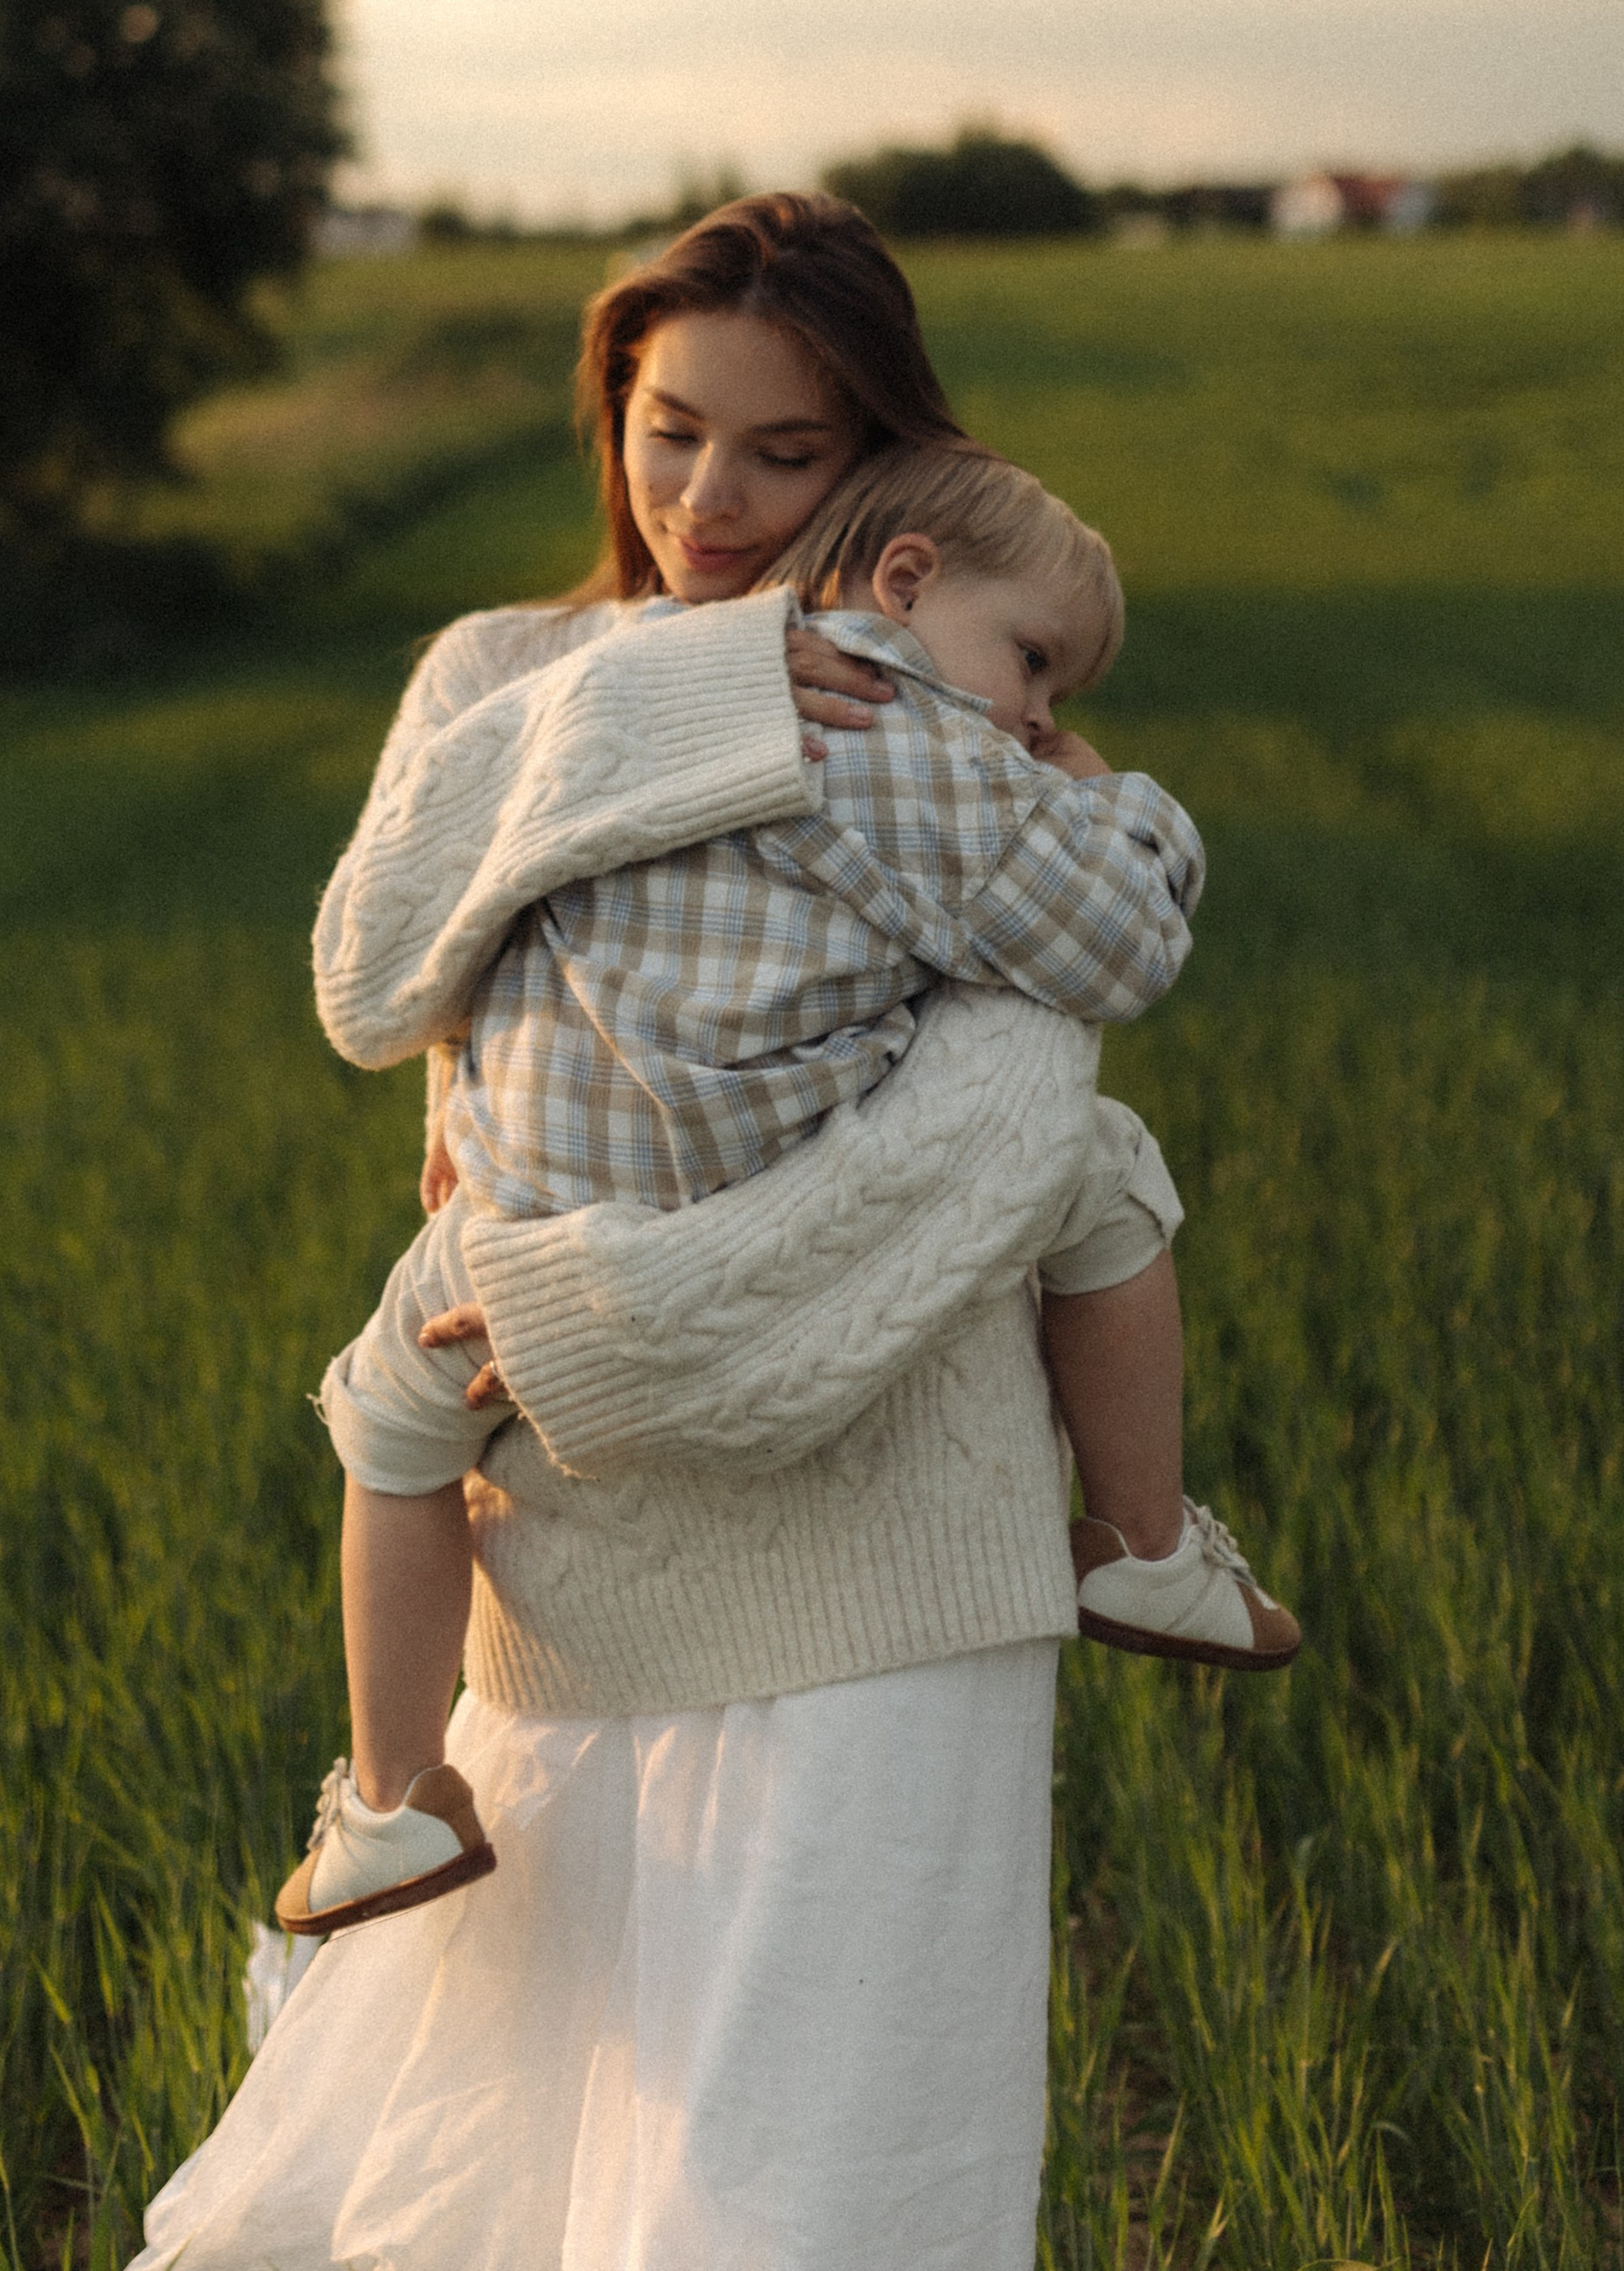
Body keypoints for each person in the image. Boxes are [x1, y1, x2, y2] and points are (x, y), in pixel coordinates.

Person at [130, 194, 1250, 2271]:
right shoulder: (498, 674)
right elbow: (373, 991)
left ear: (884, 476)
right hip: (572, 1544)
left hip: (884, 1539)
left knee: (820, 2180)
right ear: (611, 417)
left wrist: (646, 1306)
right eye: (667, 431)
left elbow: (1041, 1057)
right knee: (527, 2148)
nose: (706, 500)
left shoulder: (929, 706)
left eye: (781, 452)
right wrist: (664, 706)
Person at [281, 434, 1299, 1941]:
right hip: (744, 1179)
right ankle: (1143, 1545)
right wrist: (1116, 801)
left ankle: (389, 1795)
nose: (1033, 712)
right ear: (904, 581)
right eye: (1032, 663)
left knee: (386, 1421)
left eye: (1058, 701)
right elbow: (1121, 947)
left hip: (515, 1217)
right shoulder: (895, 733)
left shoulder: (639, 709)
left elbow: (420, 960)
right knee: (1107, 1181)